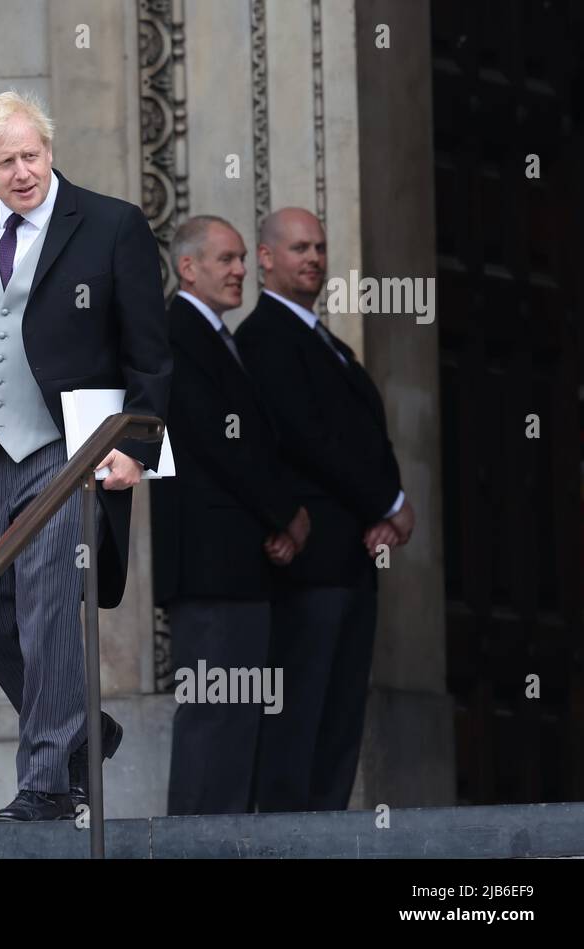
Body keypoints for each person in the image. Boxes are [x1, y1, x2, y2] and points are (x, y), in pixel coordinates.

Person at [0, 90, 171, 821]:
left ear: (49, 150)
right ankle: (89, 728)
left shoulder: (113, 224)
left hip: (69, 445)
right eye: (6, 162)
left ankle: (48, 783)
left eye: (32, 155)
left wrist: (137, 446)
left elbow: (150, 352)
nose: (23, 171)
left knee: (50, 600)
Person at [235, 207, 414, 812]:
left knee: (339, 716)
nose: (312, 258)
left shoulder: (328, 342)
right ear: (266, 258)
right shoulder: (262, 338)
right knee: (300, 711)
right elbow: (307, 437)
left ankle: (328, 837)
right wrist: (389, 503)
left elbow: (363, 435)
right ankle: (289, 844)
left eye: (319, 247)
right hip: (309, 563)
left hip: (354, 557)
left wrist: (384, 513)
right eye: (298, 248)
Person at [152, 215, 308, 815]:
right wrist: (285, 514)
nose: (242, 270)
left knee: (238, 721)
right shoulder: (177, 332)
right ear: (188, 267)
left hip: (238, 564)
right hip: (210, 567)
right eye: (227, 259)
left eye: (244, 258)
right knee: (214, 718)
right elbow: (220, 439)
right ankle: (191, 848)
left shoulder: (218, 335)